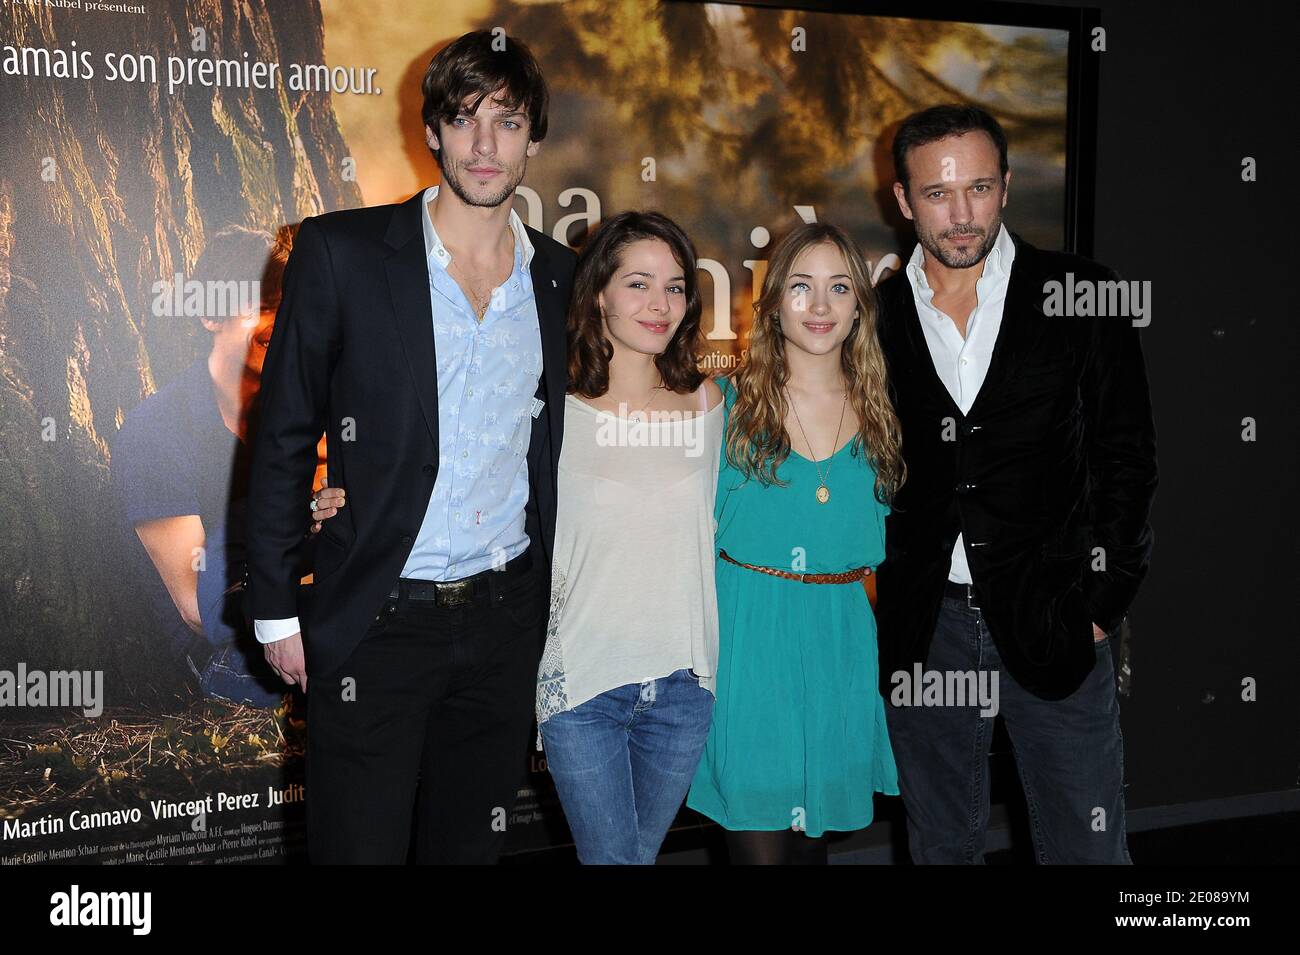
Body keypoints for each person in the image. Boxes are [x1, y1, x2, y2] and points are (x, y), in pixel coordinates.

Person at [246, 30, 577, 864]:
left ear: (534, 137)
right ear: (430, 132)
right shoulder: (342, 253)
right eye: (463, 120)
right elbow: (283, 434)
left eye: (506, 122)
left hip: (506, 628)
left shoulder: (565, 279)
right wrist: (278, 606)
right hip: (376, 621)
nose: (484, 143)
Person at [316, 211, 725, 865]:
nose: (660, 303)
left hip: (683, 686)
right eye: (639, 283)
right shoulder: (550, 404)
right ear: (597, 291)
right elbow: (448, 464)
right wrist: (338, 498)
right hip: (579, 684)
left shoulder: (708, 405)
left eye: (676, 286)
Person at [873, 104, 1158, 864]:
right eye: (937, 193)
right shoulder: (876, 318)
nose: (961, 214)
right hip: (928, 630)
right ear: (903, 200)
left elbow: (1128, 462)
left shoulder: (1081, 294)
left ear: (1005, 187)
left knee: (1087, 848)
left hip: (1056, 614)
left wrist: (1101, 606)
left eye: (979, 188)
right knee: (942, 846)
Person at [686, 221, 905, 864]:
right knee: (760, 850)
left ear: (859, 306)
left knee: (812, 851)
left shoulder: (887, 416)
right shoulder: (721, 405)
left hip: (841, 644)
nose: (819, 306)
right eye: (802, 287)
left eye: (839, 288)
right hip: (748, 642)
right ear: (774, 300)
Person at [111, 225, 294, 709]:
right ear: (213, 314)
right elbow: (199, 609)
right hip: (228, 652)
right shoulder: (158, 431)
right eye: (267, 305)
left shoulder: (301, 416)